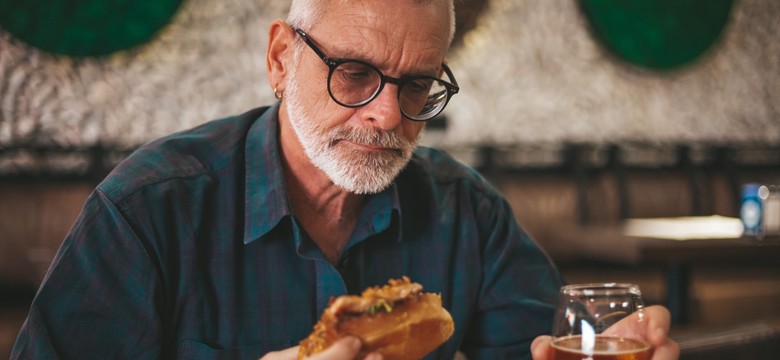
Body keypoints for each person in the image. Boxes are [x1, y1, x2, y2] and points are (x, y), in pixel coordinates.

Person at [12, 0, 679, 359]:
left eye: (418, 84)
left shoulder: (465, 211)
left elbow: (540, 347)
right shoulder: (149, 210)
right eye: (355, 73)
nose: (389, 113)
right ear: (281, 59)